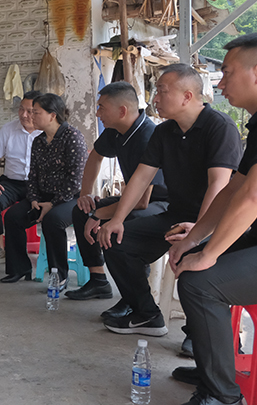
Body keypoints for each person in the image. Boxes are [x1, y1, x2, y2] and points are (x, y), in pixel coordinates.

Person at [96, 63, 242, 337]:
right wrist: (117, 219)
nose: (155, 99)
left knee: (195, 260)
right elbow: (141, 177)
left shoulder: (219, 127)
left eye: (162, 91)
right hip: (175, 216)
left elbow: (218, 185)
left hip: (214, 222)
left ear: (187, 96)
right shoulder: (164, 132)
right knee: (116, 240)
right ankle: (146, 314)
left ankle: (198, 334)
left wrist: (197, 233)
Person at [167, 33, 257, 405]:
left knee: (200, 281)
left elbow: (254, 196)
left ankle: (223, 396)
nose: (220, 84)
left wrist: (208, 255)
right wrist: (195, 240)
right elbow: (232, 190)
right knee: (190, 258)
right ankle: (214, 365)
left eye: (227, 72)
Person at [65, 82, 168, 301]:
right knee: (81, 211)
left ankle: (133, 298)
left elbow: (141, 202)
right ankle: (98, 281)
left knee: (126, 227)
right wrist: (85, 195)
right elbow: (95, 156)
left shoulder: (148, 136)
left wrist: (99, 214)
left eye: (102, 107)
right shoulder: (116, 130)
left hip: (159, 202)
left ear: (122, 111)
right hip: (134, 197)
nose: (97, 113)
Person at [1, 93, 88, 289]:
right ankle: (19, 269)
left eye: (36, 112)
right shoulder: (39, 141)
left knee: (52, 220)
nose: (31, 116)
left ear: (52, 115)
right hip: (42, 197)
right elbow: (32, 175)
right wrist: (33, 199)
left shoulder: (72, 138)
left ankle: (59, 276)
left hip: (70, 199)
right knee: (13, 216)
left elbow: (75, 181)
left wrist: (53, 203)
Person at [0, 91, 42, 266]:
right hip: (11, 183)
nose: (24, 114)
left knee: (45, 209)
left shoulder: (46, 131)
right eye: (21, 109)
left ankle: (47, 249)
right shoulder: (8, 129)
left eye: (29, 111)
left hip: (38, 185)